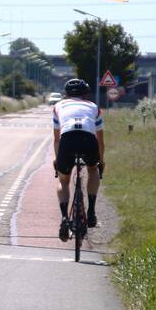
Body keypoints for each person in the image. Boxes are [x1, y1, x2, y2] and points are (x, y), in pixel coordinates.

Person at [52, 78, 105, 241]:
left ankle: (63, 217)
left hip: (67, 140)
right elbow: (100, 140)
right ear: (85, 94)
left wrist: (57, 161)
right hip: (88, 140)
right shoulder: (94, 107)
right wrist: (101, 161)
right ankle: (91, 211)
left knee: (64, 180)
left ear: (66, 94)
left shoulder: (58, 106)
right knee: (92, 169)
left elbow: (56, 139)